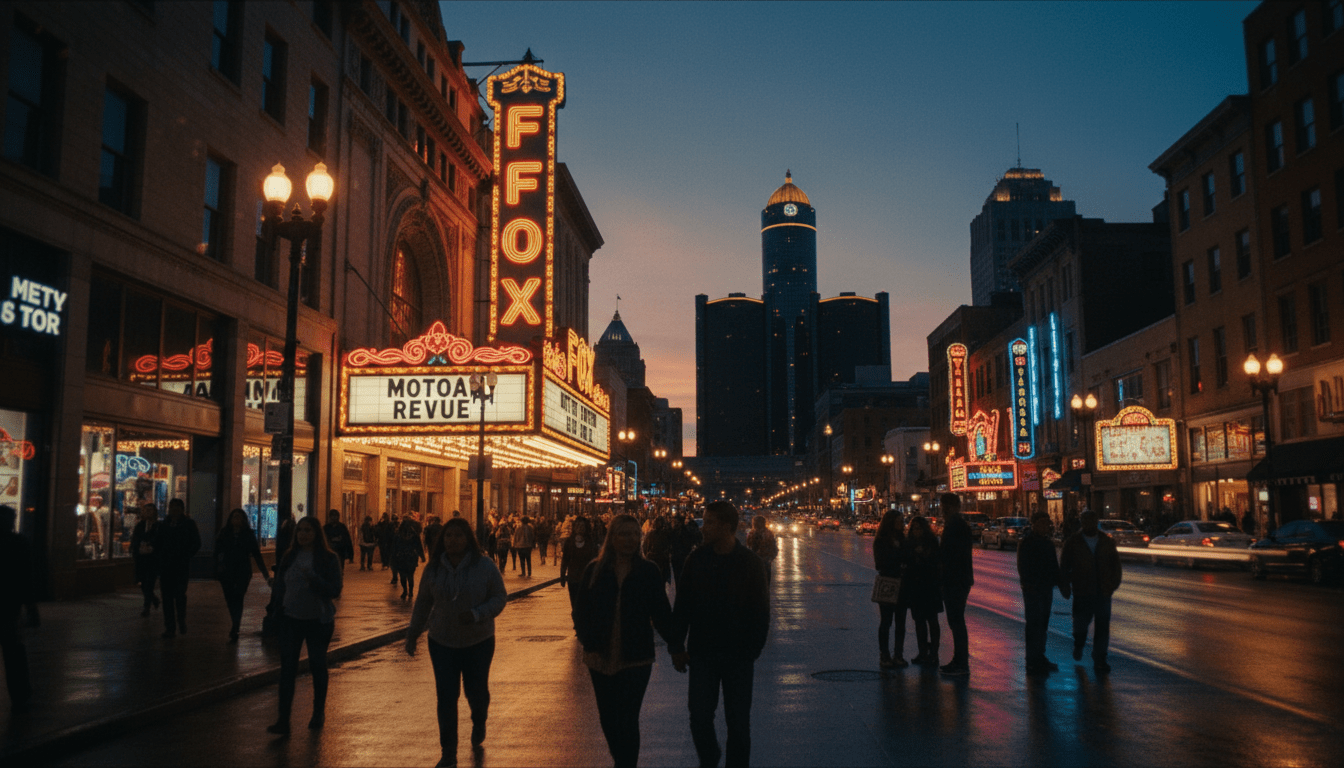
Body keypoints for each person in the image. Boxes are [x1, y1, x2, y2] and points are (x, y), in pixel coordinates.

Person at [571, 514, 677, 768]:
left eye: (634, 534)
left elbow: (660, 612)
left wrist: (677, 646)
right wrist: (587, 640)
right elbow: (580, 609)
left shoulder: (648, 571)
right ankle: (622, 760)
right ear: (612, 537)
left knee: (628, 717)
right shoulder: (594, 570)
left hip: (636, 656)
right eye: (623, 534)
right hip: (599, 655)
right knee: (608, 718)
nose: (630, 539)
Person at [669, 501, 769, 768]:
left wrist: (752, 650)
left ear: (727, 527)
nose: (703, 528)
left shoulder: (750, 563)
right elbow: (683, 606)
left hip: (738, 656)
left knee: (738, 723)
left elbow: (760, 611)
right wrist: (676, 646)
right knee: (699, 717)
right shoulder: (696, 560)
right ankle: (710, 757)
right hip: (702, 654)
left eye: (709, 522)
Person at [406, 518, 507, 768]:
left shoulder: (484, 565)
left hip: (479, 640)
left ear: (468, 539)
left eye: (458, 536)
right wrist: (413, 633)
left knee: (476, 691)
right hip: (441, 641)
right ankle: (448, 752)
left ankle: (479, 719)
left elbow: (499, 597)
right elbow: (422, 603)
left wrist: (477, 614)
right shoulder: (433, 569)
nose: (453, 541)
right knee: (446, 696)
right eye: (448, 536)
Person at [268, 516, 343, 734]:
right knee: (287, 669)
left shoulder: (328, 558)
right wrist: (276, 610)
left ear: (316, 533)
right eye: (300, 530)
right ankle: (283, 720)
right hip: (291, 619)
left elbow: (335, 589)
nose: (303, 534)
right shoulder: (290, 556)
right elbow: (281, 586)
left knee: (317, 665)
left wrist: (313, 578)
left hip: (318, 621)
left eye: (308, 530)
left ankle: (318, 712)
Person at [1059, 508, 1123, 674]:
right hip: (1082, 591)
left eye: (1092, 521)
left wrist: (1112, 585)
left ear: (1096, 522)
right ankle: (1079, 645)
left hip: (1103, 592)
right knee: (1080, 626)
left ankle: (1100, 658)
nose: (1089, 524)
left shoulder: (1106, 542)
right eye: (1085, 521)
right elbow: (1064, 566)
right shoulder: (1073, 542)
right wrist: (1065, 586)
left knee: (1102, 628)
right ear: (1081, 522)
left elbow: (1115, 565)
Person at [215, 508, 273, 642]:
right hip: (227, 571)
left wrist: (266, 575)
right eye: (234, 516)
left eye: (239, 517)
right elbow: (217, 551)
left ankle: (235, 627)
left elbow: (257, 555)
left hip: (243, 571)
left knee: (239, 597)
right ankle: (235, 623)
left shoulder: (248, 534)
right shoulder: (224, 533)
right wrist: (218, 568)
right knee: (230, 599)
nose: (236, 519)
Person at [1, 505, 39, 708]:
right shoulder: (19, 542)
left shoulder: (19, 542)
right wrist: (31, 605)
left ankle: (21, 692)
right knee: (13, 650)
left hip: (9, 603)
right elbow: (26, 577)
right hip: (10, 604)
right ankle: (20, 693)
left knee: (14, 648)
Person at [1017, 512, 1061, 675]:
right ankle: (1032, 659)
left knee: (1042, 624)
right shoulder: (1027, 542)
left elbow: (1053, 565)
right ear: (1034, 524)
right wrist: (1027, 584)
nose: (1046, 526)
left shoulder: (1048, 543)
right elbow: (1023, 566)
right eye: (1042, 523)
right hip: (1033, 589)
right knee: (1034, 624)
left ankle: (1039, 656)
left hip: (1045, 588)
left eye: (1047, 523)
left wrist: (1059, 582)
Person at [938, 493, 973, 676]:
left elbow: (952, 555)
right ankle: (959, 660)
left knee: (956, 621)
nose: (941, 509)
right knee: (956, 621)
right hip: (958, 579)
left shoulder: (955, 525)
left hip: (955, 580)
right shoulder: (957, 524)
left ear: (951, 506)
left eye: (943, 505)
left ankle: (961, 663)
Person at [155, 498, 201, 639]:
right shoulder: (163, 525)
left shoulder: (188, 524)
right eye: (171, 507)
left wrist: (186, 555)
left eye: (176, 507)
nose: (173, 510)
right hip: (166, 567)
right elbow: (158, 542)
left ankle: (181, 619)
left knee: (180, 595)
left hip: (181, 566)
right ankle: (170, 627)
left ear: (181, 509)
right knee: (167, 598)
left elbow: (196, 543)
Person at [902, 516, 942, 666]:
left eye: (919, 528)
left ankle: (934, 653)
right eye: (914, 528)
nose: (917, 531)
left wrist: (924, 556)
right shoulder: (909, 544)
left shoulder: (931, 543)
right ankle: (923, 651)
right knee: (919, 621)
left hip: (929, 586)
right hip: (915, 587)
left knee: (932, 620)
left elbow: (937, 563)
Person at [872, 510, 908, 668]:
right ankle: (884, 655)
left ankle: (898, 654)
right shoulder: (881, 540)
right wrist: (897, 557)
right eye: (899, 520)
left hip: (902, 583)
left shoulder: (902, 538)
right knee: (886, 621)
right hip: (888, 581)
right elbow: (880, 563)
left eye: (902, 520)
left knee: (901, 622)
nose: (902, 523)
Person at [129, 503, 161, 616]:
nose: (148, 512)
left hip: (152, 559)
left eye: (150, 510)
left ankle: (146, 607)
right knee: (142, 583)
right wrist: (134, 549)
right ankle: (153, 598)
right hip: (141, 558)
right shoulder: (140, 525)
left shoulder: (158, 526)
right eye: (146, 510)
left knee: (149, 582)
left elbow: (159, 541)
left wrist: (152, 545)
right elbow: (135, 538)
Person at [560, 517, 599, 597]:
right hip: (573, 579)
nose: (579, 528)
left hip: (587, 580)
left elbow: (595, 561)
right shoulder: (569, 542)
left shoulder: (591, 542)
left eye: (582, 526)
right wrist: (562, 575)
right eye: (577, 526)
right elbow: (565, 560)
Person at [393, 516, 427, 601]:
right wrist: (422, 556)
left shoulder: (398, 535)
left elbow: (394, 547)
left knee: (402, 575)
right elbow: (419, 546)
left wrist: (393, 557)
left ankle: (405, 590)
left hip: (401, 557)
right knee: (410, 575)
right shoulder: (414, 535)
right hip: (412, 557)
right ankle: (410, 591)